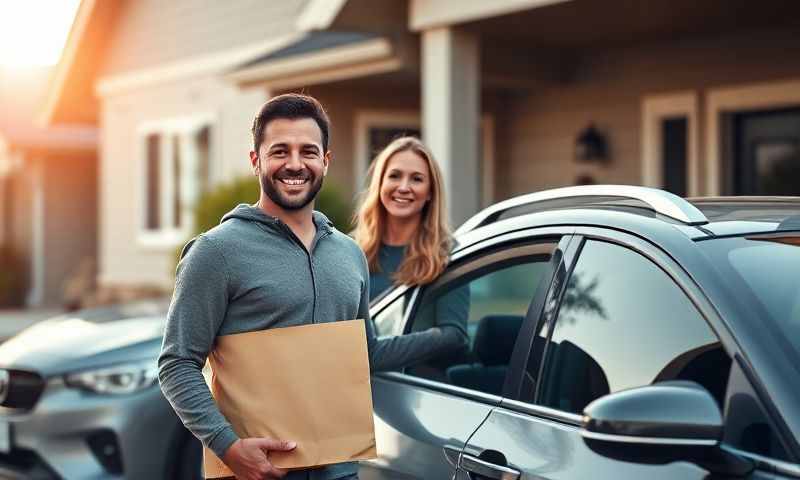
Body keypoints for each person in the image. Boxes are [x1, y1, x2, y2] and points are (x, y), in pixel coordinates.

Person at [158, 94, 459, 480]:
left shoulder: (349, 255)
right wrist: (228, 446)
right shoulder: (216, 252)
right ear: (256, 161)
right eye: (280, 151)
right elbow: (177, 363)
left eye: (308, 152)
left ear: (326, 161)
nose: (295, 164)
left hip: (340, 471)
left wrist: (448, 336)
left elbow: (365, 353)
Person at [352, 137, 469, 381]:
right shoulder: (350, 251)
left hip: (414, 394)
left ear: (429, 193)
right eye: (394, 176)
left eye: (416, 179)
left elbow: (454, 335)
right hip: (356, 390)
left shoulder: (446, 253)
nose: (404, 187)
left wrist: (375, 354)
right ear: (380, 184)